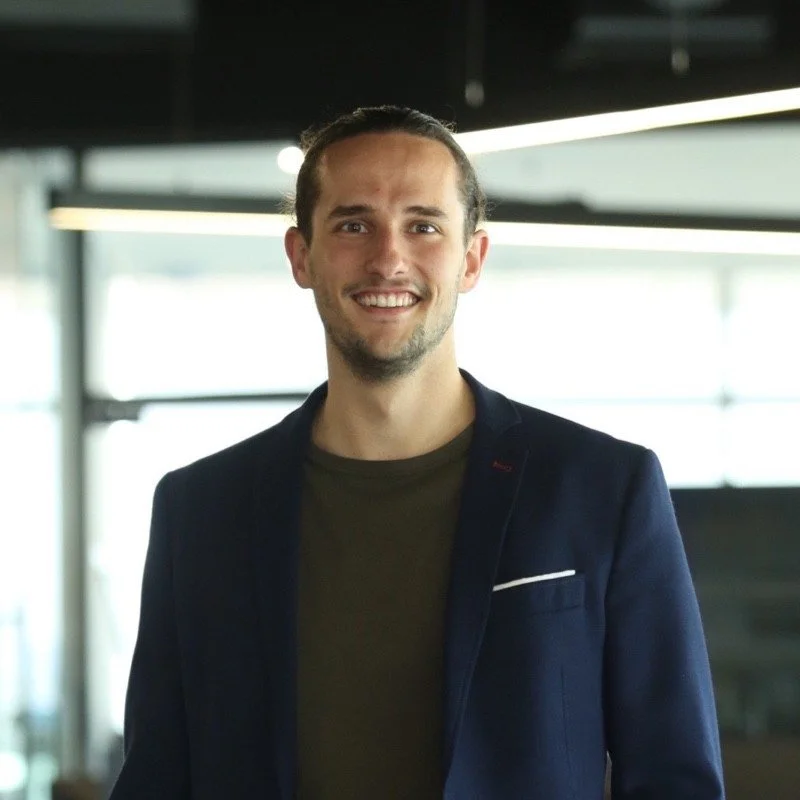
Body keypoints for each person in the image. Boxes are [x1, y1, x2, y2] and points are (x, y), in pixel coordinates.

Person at [109, 105, 725, 799]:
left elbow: (675, 777)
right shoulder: (200, 511)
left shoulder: (602, 488)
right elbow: (157, 776)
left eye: (423, 226)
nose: (388, 258)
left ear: (471, 258)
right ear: (300, 255)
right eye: (353, 224)